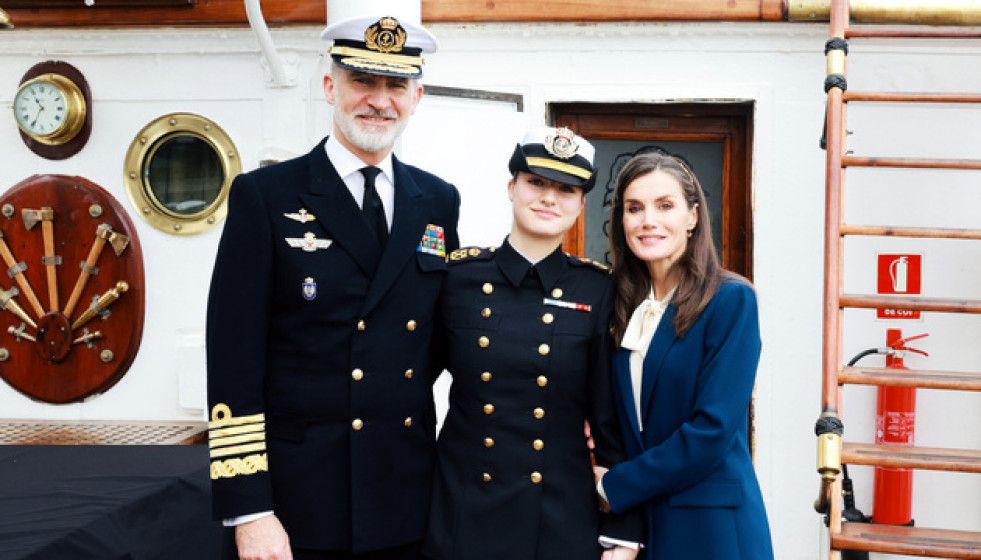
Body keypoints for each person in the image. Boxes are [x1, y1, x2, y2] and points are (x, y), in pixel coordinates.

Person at [205, 15, 460, 560]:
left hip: (404, 495)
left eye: (395, 85)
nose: (379, 100)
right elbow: (232, 361)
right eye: (362, 81)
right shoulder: (265, 196)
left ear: (417, 97)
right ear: (330, 87)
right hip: (298, 505)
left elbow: (441, 335)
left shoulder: (438, 201)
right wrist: (250, 509)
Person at [424, 128, 641, 560]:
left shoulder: (597, 290)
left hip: (559, 514)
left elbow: (609, 418)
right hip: (464, 509)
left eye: (566, 189)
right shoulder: (458, 278)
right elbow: (409, 385)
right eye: (536, 182)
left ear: (581, 205)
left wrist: (623, 528)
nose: (549, 198)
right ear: (511, 187)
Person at [593, 152, 773, 559]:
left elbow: (711, 431)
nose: (647, 221)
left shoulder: (731, 300)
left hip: (710, 526)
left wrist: (614, 485)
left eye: (665, 206)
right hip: (646, 523)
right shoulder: (622, 304)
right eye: (634, 208)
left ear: (693, 216)